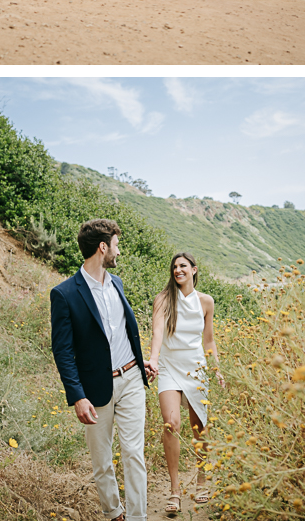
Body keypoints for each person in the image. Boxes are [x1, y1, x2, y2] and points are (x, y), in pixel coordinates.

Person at [50, 219, 154, 522]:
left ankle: (138, 520)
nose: (118, 252)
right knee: (102, 460)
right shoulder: (65, 293)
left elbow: (122, 332)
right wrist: (77, 396)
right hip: (95, 389)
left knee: (134, 453)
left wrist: (138, 359)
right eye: (116, 245)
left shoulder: (117, 283)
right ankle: (115, 515)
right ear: (103, 247)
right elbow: (63, 351)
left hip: (133, 378)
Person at [147, 252, 224, 517]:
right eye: (174, 267)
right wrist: (153, 360)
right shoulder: (164, 299)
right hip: (168, 366)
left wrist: (216, 368)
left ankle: (202, 480)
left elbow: (209, 340)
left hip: (196, 367)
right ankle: (175, 489)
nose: (178, 270)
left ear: (193, 270)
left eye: (183, 266)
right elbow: (157, 332)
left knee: (199, 427)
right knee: (171, 423)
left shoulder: (206, 302)